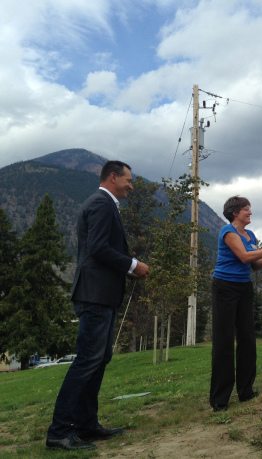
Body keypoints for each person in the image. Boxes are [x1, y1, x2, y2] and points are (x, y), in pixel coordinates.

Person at [46, 161, 150, 450]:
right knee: (88, 360)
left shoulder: (104, 204)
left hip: (100, 295)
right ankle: (59, 431)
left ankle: (86, 425)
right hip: (94, 295)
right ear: (113, 177)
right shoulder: (102, 204)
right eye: (129, 180)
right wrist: (133, 265)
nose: (131, 185)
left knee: (98, 358)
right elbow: (99, 248)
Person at [209, 196, 262, 412]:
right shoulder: (228, 232)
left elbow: (253, 265)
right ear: (235, 213)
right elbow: (243, 256)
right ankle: (220, 399)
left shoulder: (250, 235)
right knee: (223, 341)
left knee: (248, 339)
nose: (250, 212)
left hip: (244, 288)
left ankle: (246, 391)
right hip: (224, 288)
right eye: (246, 209)